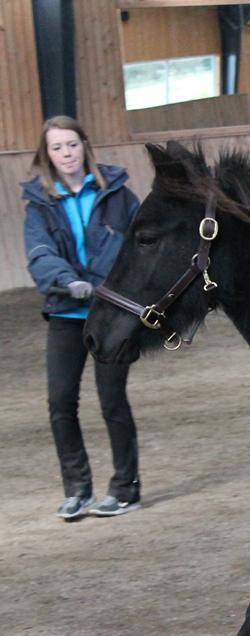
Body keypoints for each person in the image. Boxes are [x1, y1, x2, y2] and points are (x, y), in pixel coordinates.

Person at [22, 116, 142, 521]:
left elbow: (140, 246)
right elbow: (38, 253)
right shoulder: (39, 204)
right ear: (47, 155)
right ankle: (77, 489)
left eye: (71, 145)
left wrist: (108, 288)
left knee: (112, 402)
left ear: (85, 147)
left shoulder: (119, 196)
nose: (66, 153)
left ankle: (126, 489)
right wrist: (67, 281)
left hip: (111, 316)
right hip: (67, 314)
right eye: (57, 148)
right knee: (60, 403)